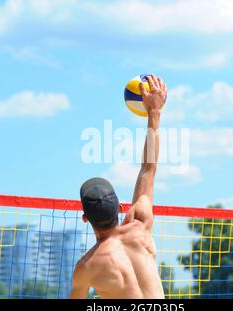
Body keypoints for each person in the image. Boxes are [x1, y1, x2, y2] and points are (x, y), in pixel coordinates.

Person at [70, 74, 167, 299]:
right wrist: (154, 112)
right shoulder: (140, 227)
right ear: (120, 209)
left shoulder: (86, 267)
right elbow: (148, 168)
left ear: (85, 218)